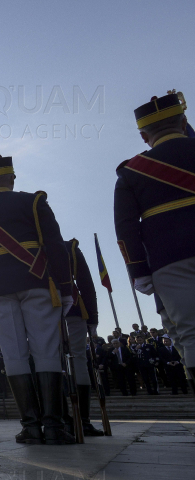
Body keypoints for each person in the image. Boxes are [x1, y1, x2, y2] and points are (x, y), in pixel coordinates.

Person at [0, 155, 74, 445]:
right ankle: (53, 425)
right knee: (47, 351)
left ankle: (31, 427)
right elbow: (56, 247)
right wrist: (66, 287)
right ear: (12, 179)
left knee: (13, 355)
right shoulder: (34, 203)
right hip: (36, 283)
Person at [115, 91, 195, 383]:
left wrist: (138, 270)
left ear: (143, 136)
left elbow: (126, 229)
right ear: (184, 121)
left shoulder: (131, 173)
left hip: (169, 260)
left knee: (190, 333)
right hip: (169, 260)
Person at [64, 238, 104, 435]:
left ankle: (60, 420)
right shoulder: (68, 247)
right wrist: (92, 318)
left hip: (42, 311)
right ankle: (83, 421)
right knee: (78, 358)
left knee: (50, 361)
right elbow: (86, 284)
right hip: (72, 309)